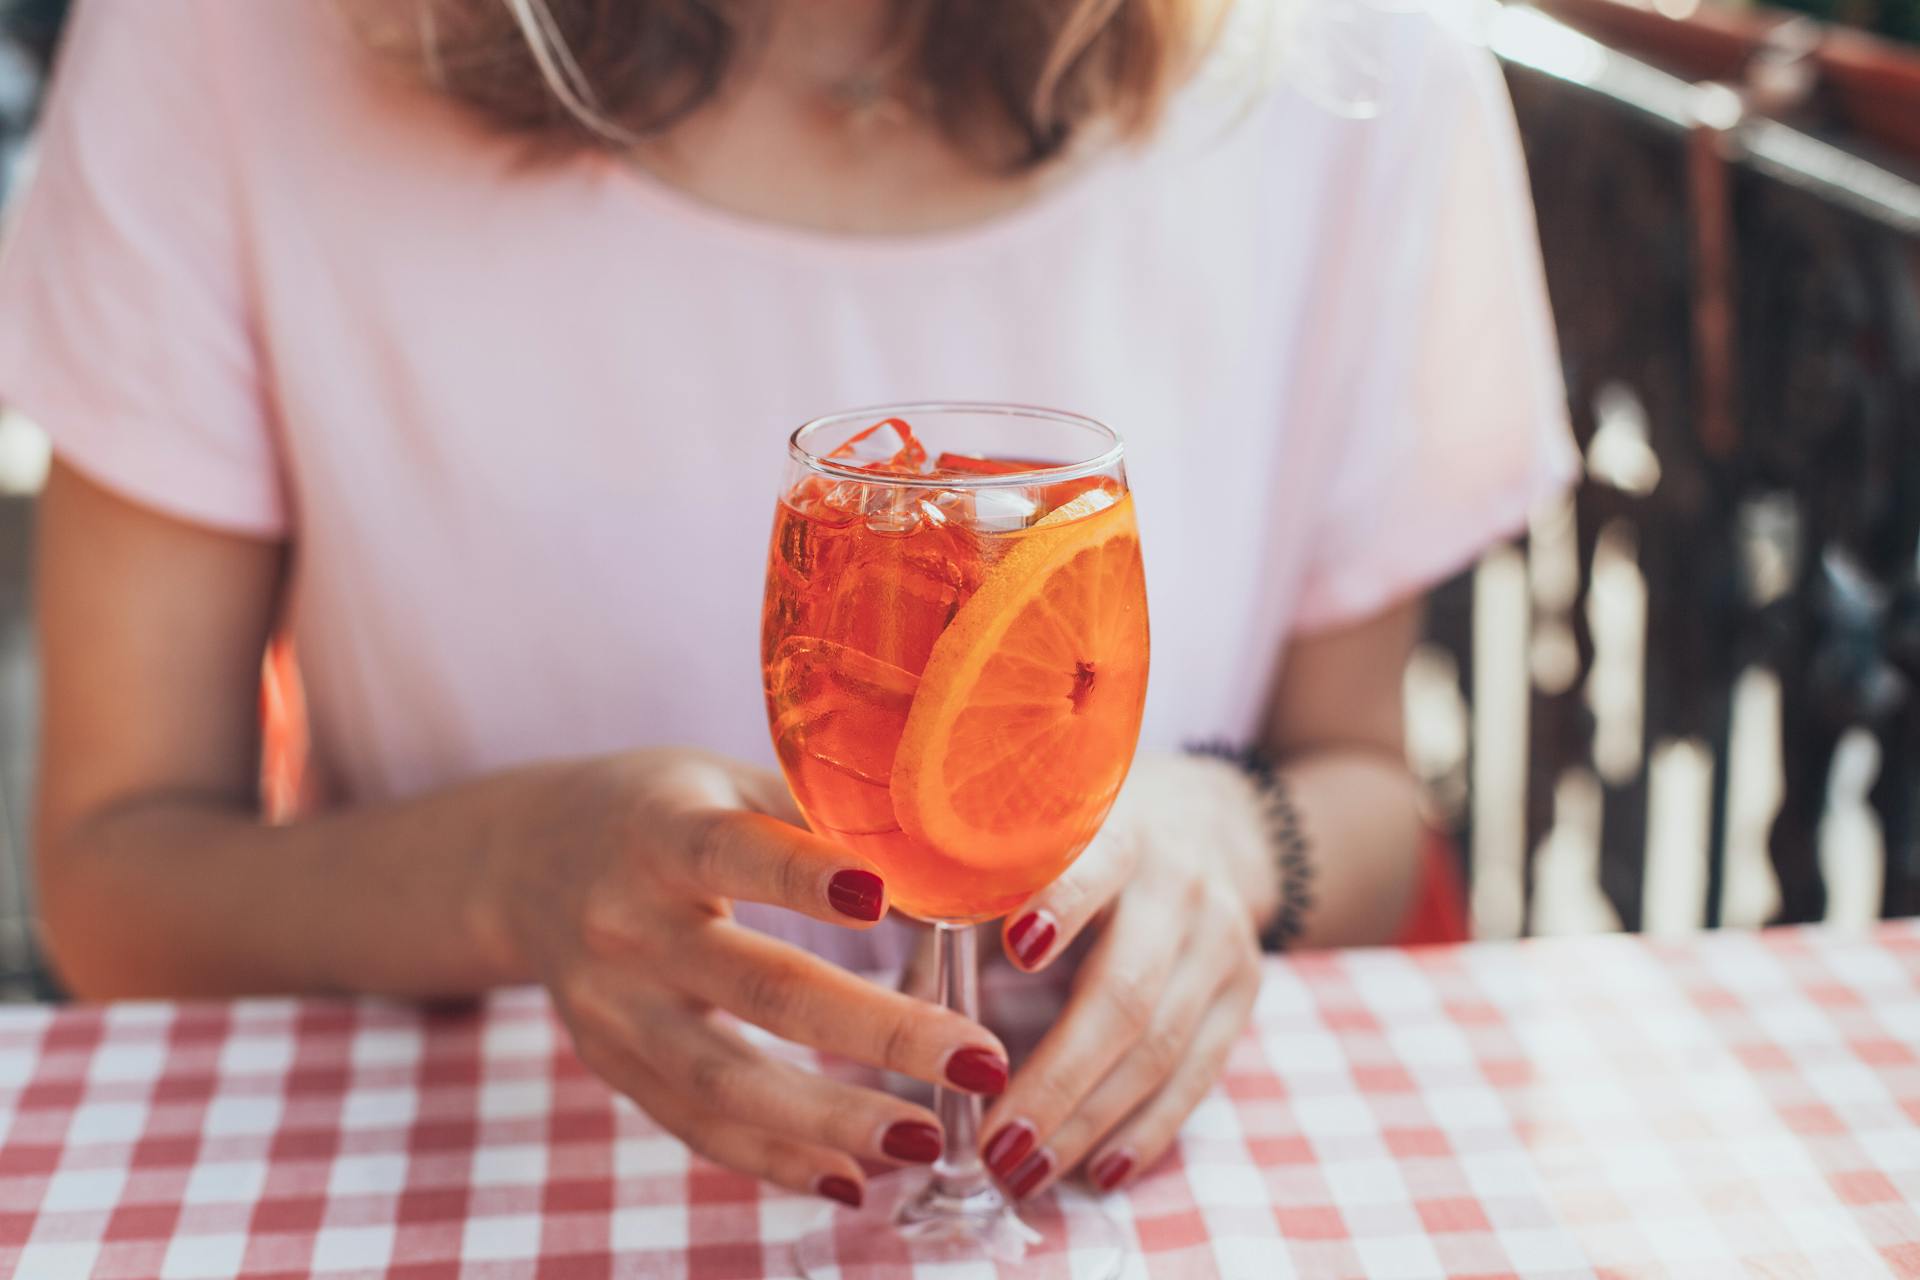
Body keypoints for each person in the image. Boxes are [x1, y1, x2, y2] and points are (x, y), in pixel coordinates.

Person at [0, 0, 1575, 1209]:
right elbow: (117, 870)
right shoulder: (235, 45)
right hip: (459, 1197)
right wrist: (508, 876)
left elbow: (1362, 785)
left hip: (1118, 1197)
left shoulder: (1353, 63)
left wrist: (1222, 847)